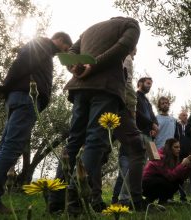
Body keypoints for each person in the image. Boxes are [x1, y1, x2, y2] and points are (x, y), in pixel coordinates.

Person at [48, 17, 141, 213]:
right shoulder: (130, 24)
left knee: (74, 141)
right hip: (105, 87)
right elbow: (124, 46)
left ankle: (56, 200)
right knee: (95, 141)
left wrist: (74, 66)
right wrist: (95, 64)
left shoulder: (89, 29)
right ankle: (74, 198)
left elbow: (71, 52)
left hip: (80, 87)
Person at [0, 32, 72, 215]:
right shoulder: (42, 45)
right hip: (24, 99)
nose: (63, 53)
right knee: (11, 148)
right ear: (60, 40)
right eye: (65, 49)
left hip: (19, 98)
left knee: (5, 147)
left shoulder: (43, 48)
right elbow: (19, 65)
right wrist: (5, 87)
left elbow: (22, 65)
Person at [111, 48, 146, 207]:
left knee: (96, 146)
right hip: (119, 104)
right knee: (137, 148)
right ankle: (135, 199)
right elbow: (127, 81)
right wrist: (131, 107)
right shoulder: (126, 57)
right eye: (135, 50)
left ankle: (70, 195)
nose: (135, 54)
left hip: (98, 100)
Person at [142, 138, 191, 204]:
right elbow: (170, 176)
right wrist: (182, 164)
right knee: (164, 181)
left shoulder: (173, 158)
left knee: (178, 180)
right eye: (176, 147)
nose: (179, 149)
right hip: (147, 184)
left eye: (179, 147)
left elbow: (182, 176)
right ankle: (150, 200)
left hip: (157, 182)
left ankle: (160, 201)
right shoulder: (160, 157)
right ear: (169, 148)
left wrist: (188, 167)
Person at [176, 110, 191, 202]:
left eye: (186, 115)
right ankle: (182, 197)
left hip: (190, 152)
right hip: (178, 153)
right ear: (179, 117)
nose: (185, 117)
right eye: (183, 115)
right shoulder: (176, 125)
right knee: (179, 174)